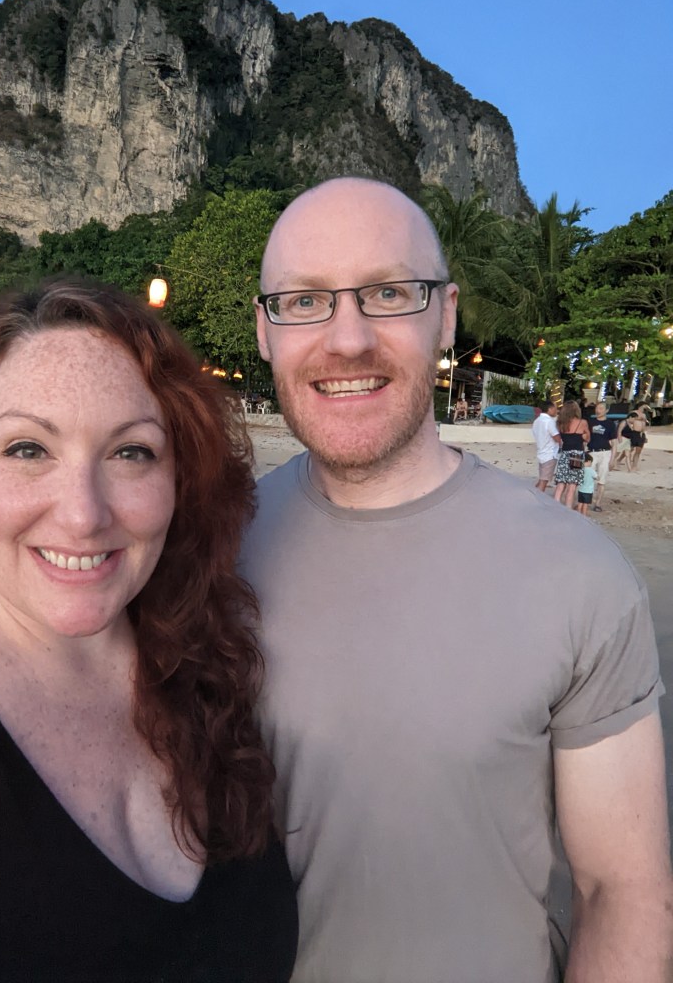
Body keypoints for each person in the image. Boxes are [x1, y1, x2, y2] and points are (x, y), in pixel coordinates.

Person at [241, 177, 672, 983]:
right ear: (263, 331)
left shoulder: (579, 577)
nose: (347, 339)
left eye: (389, 293)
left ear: (446, 314)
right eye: (302, 301)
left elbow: (622, 890)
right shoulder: (203, 553)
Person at [0, 280, 297, 980]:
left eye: (131, 452)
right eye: (28, 449)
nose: (83, 514)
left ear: (180, 478)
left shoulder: (203, 664)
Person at [552, 400, 590, 508]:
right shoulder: (582, 422)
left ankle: (555, 506)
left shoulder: (560, 423)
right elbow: (588, 439)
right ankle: (568, 509)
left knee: (561, 483)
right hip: (577, 455)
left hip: (564, 454)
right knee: (572, 485)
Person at [586, 400, 617, 511]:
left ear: (606, 410)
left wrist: (613, 459)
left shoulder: (610, 424)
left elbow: (614, 442)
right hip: (592, 452)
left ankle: (598, 503)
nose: (598, 411)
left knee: (601, 480)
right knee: (588, 478)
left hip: (605, 453)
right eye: (597, 408)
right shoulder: (590, 422)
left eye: (601, 409)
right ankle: (586, 502)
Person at [531, 398, 561, 491]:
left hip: (541, 452)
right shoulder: (549, 421)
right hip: (549, 454)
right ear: (550, 409)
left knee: (541, 479)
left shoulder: (537, 421)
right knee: (544, 482)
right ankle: (537, 500)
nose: (557, 410)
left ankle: (533, 496)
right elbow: (556, 437)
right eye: (555, 408)